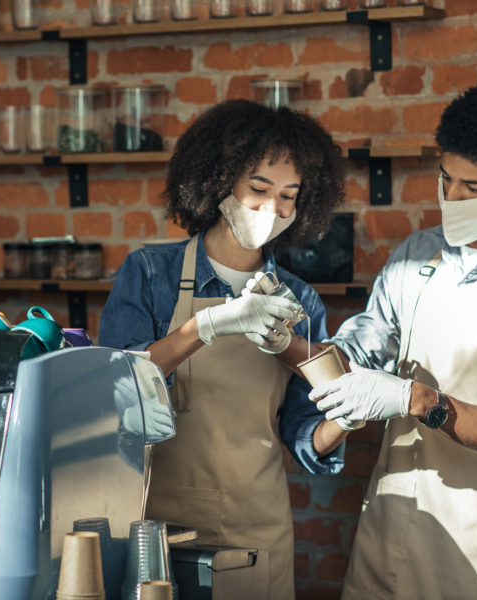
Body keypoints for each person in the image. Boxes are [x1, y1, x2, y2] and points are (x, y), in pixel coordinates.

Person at [276, 81, 477, 599]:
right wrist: (284, 343)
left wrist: (417, 399)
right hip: (393, 521)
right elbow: (356, 353)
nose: (451, 197)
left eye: (473, 187)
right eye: (445, 178)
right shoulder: (415, 256)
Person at [99, 98, 350, 599]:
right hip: (159, 529)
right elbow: (115, 398)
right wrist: (205, 326)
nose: (271, 209)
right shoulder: (151, 274)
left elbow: (303, 435)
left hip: (257, 529)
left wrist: (348, 414)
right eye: (258, 188)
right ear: (218, 181)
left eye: (288, 196)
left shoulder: (298, 300)